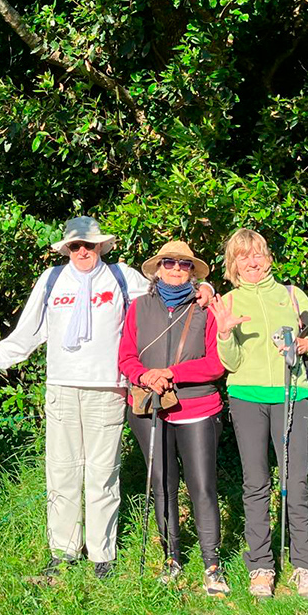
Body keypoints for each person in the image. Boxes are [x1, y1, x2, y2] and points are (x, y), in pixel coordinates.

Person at [0, 217, 211, 579]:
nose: (83, 252)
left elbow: (171, 288)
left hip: (108, 388)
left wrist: (204, 288)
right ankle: (63, 551)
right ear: (66, 249)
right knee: (61, 472)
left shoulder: (123, 277)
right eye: (75, 246)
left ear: (101, 247)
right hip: (62, 387)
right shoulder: (51, 281)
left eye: (89, 245)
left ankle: (102, 553)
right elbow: (27, 333)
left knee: (102, 473)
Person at [209, 228, 308, 600]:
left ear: (267, 257)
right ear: (233, 265)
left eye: (257, 254)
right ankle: (261, 566)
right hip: (246, 398)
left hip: (291, 395)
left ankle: (304, 567)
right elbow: (227, 362)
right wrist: (225, 333)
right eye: (242, 257)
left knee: (296, 482)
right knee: (256, 483)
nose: (251, 262)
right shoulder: (228, 302)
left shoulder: (292, 297)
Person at [118, 241, 228, 595]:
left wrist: (172, 372)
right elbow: (126, 357)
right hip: (150, 407)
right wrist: (145, 376)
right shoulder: (139, 307)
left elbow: (216, 363)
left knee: (202, 488)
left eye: (184, 264)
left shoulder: (206, 309)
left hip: (197, 408)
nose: (176, 269)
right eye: (169, 263)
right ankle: (172, 558)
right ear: (158, 268)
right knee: (162, 486)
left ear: (193, 271)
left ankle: (212, 564)